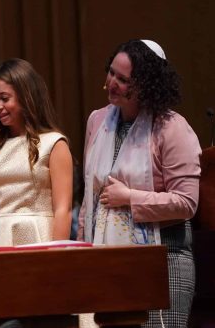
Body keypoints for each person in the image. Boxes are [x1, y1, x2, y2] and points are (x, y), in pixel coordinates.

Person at [78, 39, 201, 327]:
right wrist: (83, 249)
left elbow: (187, 203)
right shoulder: (97, 121)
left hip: (165, 259)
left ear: (146, 85)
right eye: (111, 73)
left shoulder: (171, 127)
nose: (112, 83)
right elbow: (90, 195)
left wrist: (130, 197)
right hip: (108, 259)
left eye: (123, 79)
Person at [0, 58, 73, 246]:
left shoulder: (53, 143)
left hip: (38, 237)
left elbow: (63, 209)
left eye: (4, 98)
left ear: (26, 97)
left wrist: (59, 255)